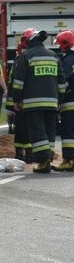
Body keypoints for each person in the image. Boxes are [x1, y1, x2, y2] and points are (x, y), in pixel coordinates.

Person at [11, 28, 68, 173]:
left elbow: (18, 82)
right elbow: (62, 82)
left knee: (37, 131)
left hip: (32, 103)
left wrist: (16, 99)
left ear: (27, 42)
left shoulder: (26, 56)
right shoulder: (53, 55)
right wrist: (59, 100)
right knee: (49, 132)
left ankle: (43, 162)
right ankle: (47, 159)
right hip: (52, 103)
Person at [52, 30, 74, 171]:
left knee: (68, 133)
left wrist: (59, 99)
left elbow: (64, 82)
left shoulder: (67, 60)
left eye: (60, 44)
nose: (59, 47)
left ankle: (69, 160)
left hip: (70, 102)